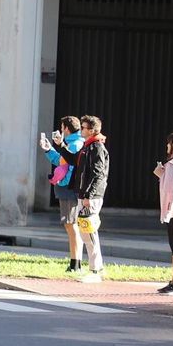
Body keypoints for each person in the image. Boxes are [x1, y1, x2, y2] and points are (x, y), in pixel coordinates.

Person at [53, 115, 109, 283]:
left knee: (89, 231)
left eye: (83, 127)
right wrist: (61, 145)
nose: (81, 130)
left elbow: (98, 174)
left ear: (91, 130)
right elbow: (73, 161)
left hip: (90, 197)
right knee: (86, 231)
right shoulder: (87, 146)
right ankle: (96, 267)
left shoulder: (96, 147)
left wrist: (88, 196)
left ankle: (95, 270)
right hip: (84, 195)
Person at [42, 116, 85, 273]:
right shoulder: (75, 143)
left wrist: (51, 149)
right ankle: (75, 262)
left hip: (67, 188)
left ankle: (75, 263)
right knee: (72, 225)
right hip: (70, 188)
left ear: (66, 128)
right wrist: (49, 149)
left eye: (62, 127)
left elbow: (61, 162)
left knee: (71, 225)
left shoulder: (72, 144)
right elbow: (61, 161)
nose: (61, 130)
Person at [156, 131, 173, 295]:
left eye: (169, 143)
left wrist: (167, 212)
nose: (167, 146)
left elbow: (169, 191)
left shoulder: (172, 165)